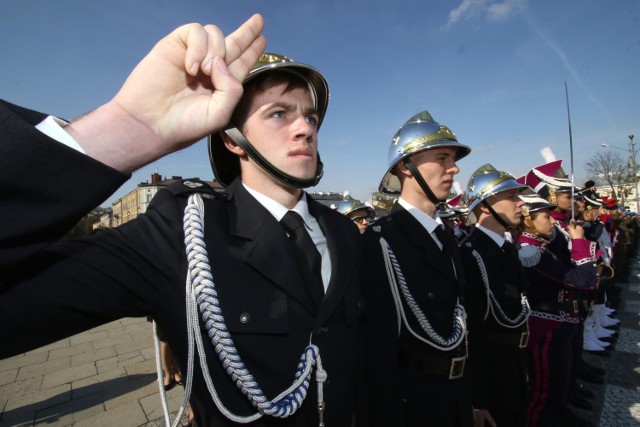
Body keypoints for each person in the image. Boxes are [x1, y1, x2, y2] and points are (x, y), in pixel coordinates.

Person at [1, 15, 366, 427]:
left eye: (311, 117)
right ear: (233, 140)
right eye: (279, 113)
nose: (306, 128)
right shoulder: (182, 232)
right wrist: (120, 128)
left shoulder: (343, 234)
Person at [362, 110, 474, 427]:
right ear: (406, 166)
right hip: (414, 406)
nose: (453, 167)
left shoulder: (448, 238)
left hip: (457, 400)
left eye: (452, 158)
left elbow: (461, 327)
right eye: (441, 157)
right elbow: (377, 350)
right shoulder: (380, 241)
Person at [514, 189, 599, 427]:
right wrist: (579, 241)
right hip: (547, 327)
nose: (553, 221)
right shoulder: (529, 251)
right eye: (546, 217)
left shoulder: (544, 244)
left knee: (561, 384)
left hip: (563, 321)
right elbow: (584, 280)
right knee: (545, 393)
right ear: (528, 219)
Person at [459, 164, 530, 427]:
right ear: (486, 206)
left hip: (515, 363)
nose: (520, 202)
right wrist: (478, 400)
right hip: (492, 375)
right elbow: (472, 334)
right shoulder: (470, 254)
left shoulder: (507, 248)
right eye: (511, 196)